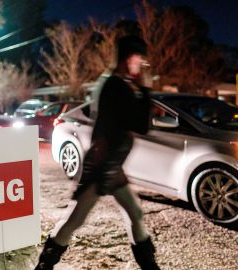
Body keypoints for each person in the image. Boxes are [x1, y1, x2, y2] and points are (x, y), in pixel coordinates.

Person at [34, 35, 160, 270]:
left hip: (112, 164)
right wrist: (145, 88)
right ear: (128, 58)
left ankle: (150, 266)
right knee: (76, 218)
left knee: (134, 212)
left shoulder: (114, 83)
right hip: (104, 165)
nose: (142, 64)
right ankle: (44, 266)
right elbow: (141, 124)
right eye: (139, 59)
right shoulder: (116, 85)